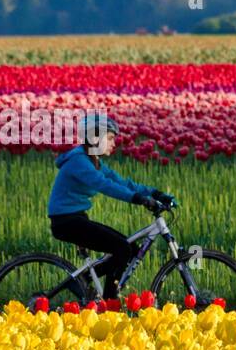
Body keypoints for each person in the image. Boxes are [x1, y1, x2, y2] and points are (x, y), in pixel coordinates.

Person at [47, 113, 175, 300]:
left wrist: (155, 193)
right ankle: (109, 302)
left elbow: (120, 182)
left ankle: (82, 280)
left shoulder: (94, 160)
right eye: (110, 138)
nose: (114, 143)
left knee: (130, 249)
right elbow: (105, 185)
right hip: (66, 222)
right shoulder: (79, 161)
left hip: (76, 218)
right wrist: (137, 199)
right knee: (122, 248)